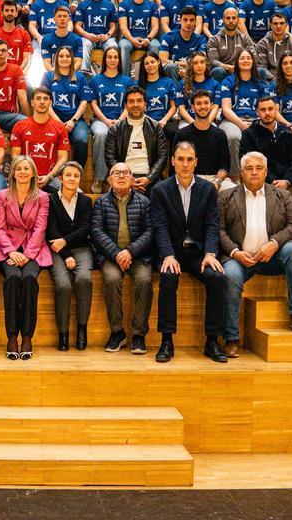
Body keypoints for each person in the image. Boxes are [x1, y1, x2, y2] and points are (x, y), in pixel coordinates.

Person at [218, 152, 292, 356]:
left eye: (259, 168)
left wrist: (274, 244)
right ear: (241, 173)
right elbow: (219, 230)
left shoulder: (282, 195)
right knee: (230, 275)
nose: (254, 173)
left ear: (266, 171)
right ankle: (231, 338)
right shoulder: (226, 196)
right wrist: (235, 252)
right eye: (249, 169)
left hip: (273, 256)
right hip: (240, 258)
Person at [150, 142, 228, 363]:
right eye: (180, 159)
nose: (185, 164)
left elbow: (213, 224)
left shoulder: (207, 189)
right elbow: (160, 226)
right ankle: (166, 340)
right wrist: (167, 255)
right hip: (171, 251)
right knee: (167, 277)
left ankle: (212, 341)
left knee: (217, 278)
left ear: (196, 162)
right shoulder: (160, 190)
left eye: (189, 159)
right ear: (173, 161)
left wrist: (211, 253)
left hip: (198, 252)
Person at [92, 162, 156, 355]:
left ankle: (138, 334)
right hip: (110, 256)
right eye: (116, 173)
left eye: (126, 173)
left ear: (132, 178)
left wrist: (129, 251)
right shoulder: (101, 202)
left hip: (137, 255)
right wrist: (116, 253)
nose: (121, 176)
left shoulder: (144, 202)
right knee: (111, 279)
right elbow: (96, 231)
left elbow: (150, 231)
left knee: (144, 280)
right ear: (109, 179)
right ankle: (117, 332)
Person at [0, 155, 50, 360]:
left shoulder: (42, 197)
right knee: (13, 278)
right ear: (13, 173)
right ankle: (11, 336)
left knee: (29, 279)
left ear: (33, 173)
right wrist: (11, 252)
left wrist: (27, 255)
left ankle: (27, 336)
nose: (23, 172)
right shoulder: (1, 196)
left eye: (27, 168)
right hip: (7, 250)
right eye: (19, 169)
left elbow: (40, 228)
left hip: (33, 251)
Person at [46, 161, 93, 351]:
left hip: (81, 248)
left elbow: (84, 230)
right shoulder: (50, 200)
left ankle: (82, 329)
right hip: (57, 250)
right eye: (68, 175)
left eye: (76, 176)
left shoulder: (85, 201)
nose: (72, 179)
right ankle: (63, 333)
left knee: (84, 280)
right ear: (60, 179)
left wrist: (65, 242)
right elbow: (51, 231)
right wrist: (65, 254)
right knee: (63, 285)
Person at [103, 86, 169, 195]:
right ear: (125, 106)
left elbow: (162, 157)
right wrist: (126, 178)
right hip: (123, 178)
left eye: (139, 101)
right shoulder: (115, 129)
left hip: (150, 178)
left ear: (145, 104)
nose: (135, 105)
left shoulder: (156, 128)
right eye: (131, 101)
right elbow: (110, 158)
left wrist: (149, 178)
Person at [239, 95, 292, 194]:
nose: (267, 113)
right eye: (263, 110)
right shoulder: (249, 134)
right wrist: (272, 181)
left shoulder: (287, 132)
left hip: (288, 183)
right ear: (257, 112)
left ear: (276, 110)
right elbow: (247, 162)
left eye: (270, 109)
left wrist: (287, 181)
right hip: (260, 183)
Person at [218, 50, 273, 169]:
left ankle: (265, 176)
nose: (245, 60)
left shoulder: (260, 82)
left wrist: (256, 122)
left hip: (256, 119)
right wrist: (241, 124)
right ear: (237, 62)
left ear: (253, 62)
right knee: (233, 137)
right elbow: (226, 109)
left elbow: (266, 108)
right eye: (242, 58)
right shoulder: (228, 81)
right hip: (232, 120)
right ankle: (235, 177)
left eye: (248, 58)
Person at [175, 89, 234, 191]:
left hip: (215, 178)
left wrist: (216, 181)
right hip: (190, 178)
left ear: (211, 105)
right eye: (198, 103)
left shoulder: (220, 134)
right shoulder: (182, 134)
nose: (203, 107)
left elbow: (225, 166)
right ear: (192, 107)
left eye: (206, 103)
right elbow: (176, 165)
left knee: (232, 190)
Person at [88, 47, 130, 191]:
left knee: (125, 135)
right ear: (105, 59)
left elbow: (128, 105)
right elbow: (93, 104)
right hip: (100, 120)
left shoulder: (127, 81)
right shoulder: (95, 80)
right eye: (109, 57)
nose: (112, 60)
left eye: (115, 57)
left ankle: (120, 179)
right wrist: (106, 120)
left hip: (122, 119)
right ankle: (99, 179)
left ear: (119, 60)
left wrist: (119, 120)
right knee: (101, 134)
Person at [42, 48, 92, 167]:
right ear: (56, 59)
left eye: (68, 56)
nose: (64, 59)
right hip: (53, 119)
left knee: (82, 141)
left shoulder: (80, 78)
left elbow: (84, 102)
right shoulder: (48, 76)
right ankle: (49, 174)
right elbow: (45, 101)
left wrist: (73, 121)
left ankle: (76, 173)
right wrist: (58, 122)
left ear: (72, 59)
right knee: (47, 139)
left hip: (76, 120)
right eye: (61, 56)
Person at [117, 0, 161, 78]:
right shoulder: (124, 4)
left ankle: (153, 78)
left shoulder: (152, 5)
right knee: (124, 46)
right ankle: (125, 79)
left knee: (156, 45)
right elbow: (123, 27)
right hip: (128, 38)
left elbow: (155, 26)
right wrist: (132, 39)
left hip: (147, 37)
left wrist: (148, 38)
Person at [74, 0, 119, 74]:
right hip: (88, 36)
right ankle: (84, 74)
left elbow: (113, 26)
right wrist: (87, 35)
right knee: (83, 44)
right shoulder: (83, 4)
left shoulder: (109, 5)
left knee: (113, 46)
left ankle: (112, 73)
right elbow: (77, 26)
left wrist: (108, 35)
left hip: (105, 37)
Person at [140, 55, 182, 144]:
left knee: (175, 132)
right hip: (145, 121)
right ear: (143, 66)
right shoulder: (138, 84)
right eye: (146, 63)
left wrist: (164, 120)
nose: (150, 65)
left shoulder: (168, 82)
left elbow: (173, 107)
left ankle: (173, 158)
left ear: (158, 62)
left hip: (165, 120)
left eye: (152, 62)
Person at [207, 8, 256, 80]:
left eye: (233, 18)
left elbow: (253, 57)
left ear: (238, 20)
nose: (231, 21)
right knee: (217, 71)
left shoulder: (245, 38)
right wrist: (225, 66)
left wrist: (239, 67)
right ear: (223, 20)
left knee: (260, 70)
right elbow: (212, 61)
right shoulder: (214, 40)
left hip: (242, 70)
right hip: (224, 70)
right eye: (228, 18)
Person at [254, 13, 292, 81]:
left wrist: (289, 78)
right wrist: (276, 79)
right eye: (275, 23)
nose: (278, 26)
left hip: (290, 78)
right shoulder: (262, 44)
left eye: (281, 23)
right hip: (271, 79)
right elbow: (261, 68)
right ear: (270, 25)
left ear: (286, 26)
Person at [39, 5, 84, 74]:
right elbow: (47, 63)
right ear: (54, 19)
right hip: (53, 73)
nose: (62, 18)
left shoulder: (77, 39)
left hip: (71, 74)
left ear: (69, 19)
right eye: (59, 16)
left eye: (65, 16)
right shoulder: (46, 39)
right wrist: (56, 74)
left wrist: (67, 74)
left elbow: (78, 62)